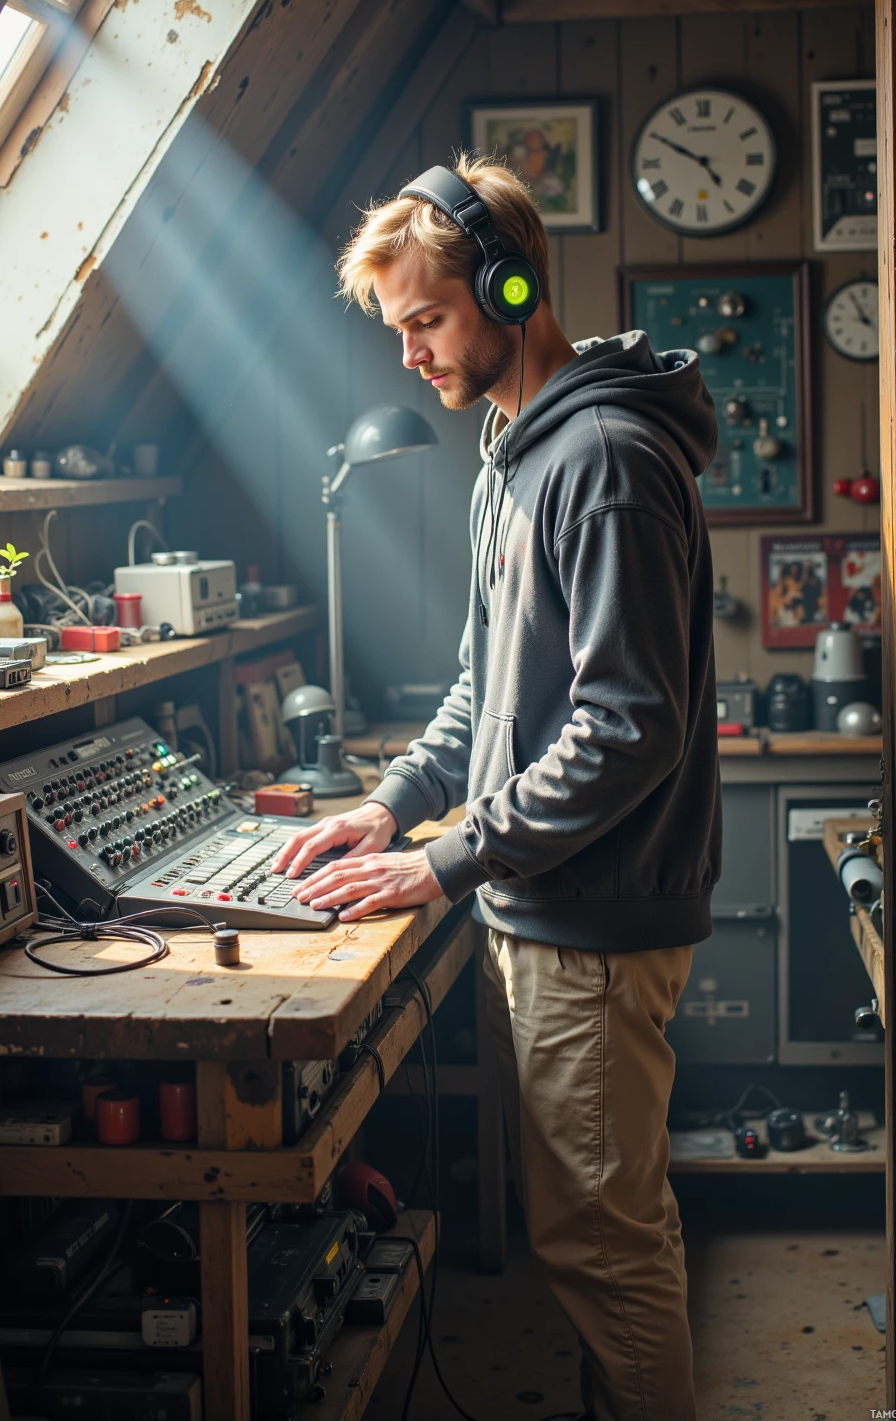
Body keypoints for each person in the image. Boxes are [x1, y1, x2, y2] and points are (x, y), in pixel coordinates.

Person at [271, 153, 721, 1421]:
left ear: (510, 288)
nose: (408, 354)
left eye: (427, 319)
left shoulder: (605, 460)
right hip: (540, 897)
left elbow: (628, 726)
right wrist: (393, 802)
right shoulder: (511, 454)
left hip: (589, 915)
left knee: (604, 1249)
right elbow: (486, 684)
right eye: (398, 327)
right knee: (590, 1239)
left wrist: (445, 860)